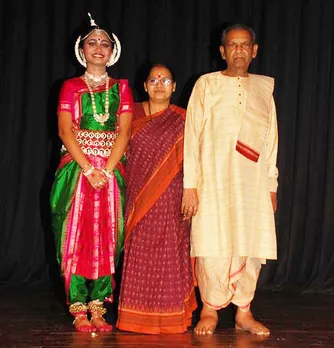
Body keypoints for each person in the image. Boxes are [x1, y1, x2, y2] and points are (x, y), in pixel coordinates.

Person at [182, 24, 278, 336]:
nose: (238, 50)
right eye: (232, 45)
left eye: (244, 44)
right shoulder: (206, 84)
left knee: (250, 245)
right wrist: (190, 185)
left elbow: (271, 141)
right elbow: (191, 136)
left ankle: (243, 312)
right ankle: (209, 308)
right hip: (213, 181)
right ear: (222, 51)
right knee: (212, 244)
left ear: (254, 50)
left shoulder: (264, 89)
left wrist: (272, 185)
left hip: (252, 183)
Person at [50, 13, 133, 332]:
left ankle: (98, 307)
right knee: (74, 236)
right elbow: (64, 130)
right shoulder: (70, 87)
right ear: (81, 50)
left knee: (107, 237)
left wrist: (107, 171)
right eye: (92, 43)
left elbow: (124, 133)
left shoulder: (122, 88)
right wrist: (88, 168)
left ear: (114, 51)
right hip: (76, 171)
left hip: (111, 173)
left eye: (104, 43)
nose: (98, 48)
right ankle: (78, 308)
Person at [116, 63, 197, 334]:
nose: (159, 84)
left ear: (174, 86)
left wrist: (191, 192)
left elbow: (197, 160)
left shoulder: (185, 118)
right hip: (137, 198)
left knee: (170, 257)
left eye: (165, 80)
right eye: (153, 80)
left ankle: (173, 318)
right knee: (139, 256)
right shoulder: (131, 114)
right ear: (145, 85)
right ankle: (134, 317)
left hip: (173, 197)